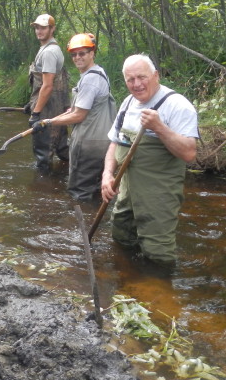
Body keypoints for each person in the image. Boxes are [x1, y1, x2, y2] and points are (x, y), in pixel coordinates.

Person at [100, 54, 199, 267]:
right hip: (126, 191)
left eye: (141, 77)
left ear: (155, 75)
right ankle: (128, 288)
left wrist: (159, 127)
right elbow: (114, 143)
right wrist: (107, 175)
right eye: (130, 79)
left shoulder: (177, 105)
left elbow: (189, 153)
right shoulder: (127, 103)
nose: (136, 84)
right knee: (122, 239)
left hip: (158, 196)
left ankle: (158, 295)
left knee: (158, 253)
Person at [32, 33, 115, 201]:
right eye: (74, 54)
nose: (77, 57)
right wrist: (73, 108)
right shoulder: (99, 72)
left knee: (80, 193)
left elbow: (79, 115)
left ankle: (82, 224)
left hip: (88, 145)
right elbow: (84, 108)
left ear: (92, 53)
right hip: (102, 143)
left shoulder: (90, 80)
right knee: (95, 191)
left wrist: (48, 121)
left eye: (82, 53)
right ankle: (95, 222)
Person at [26, 14, 70, 170]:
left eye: (43, 28)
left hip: (49, 108)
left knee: (43, 151)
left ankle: (42, 188)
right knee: (62, 148)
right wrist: (31, 104)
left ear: (52, 29)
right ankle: (64, 179)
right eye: (37, 27)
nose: (39, 31)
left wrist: (36, 113)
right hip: (56, 105)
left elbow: (47, 86)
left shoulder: (49, 52)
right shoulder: (49, 48)